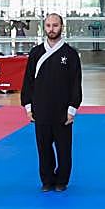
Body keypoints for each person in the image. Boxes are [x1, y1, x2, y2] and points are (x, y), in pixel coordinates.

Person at [21, 13, 82, 193]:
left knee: (64, 149)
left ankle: (62, 180)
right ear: (44, 28)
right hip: (41, 108)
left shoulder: (70, 54)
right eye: (48, 25)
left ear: (61, 27)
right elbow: (28, 81)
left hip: (62, 110)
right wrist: (28, 106)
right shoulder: (36, 52)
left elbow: (75, 83)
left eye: (55, 25)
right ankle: (47, 180)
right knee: (44, 148)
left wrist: (72, 109)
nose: (51, 29)